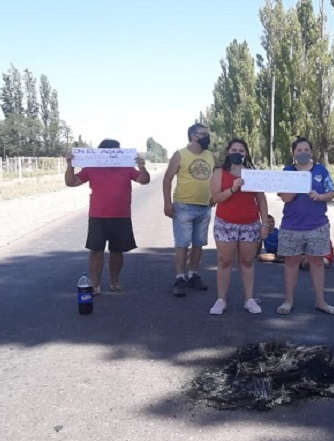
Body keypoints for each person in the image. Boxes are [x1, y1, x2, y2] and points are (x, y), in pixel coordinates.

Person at [65, 139, 150, 294]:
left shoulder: (126, 167)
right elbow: (71, 182)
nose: (116, 154)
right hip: (98, 216)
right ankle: (95, 286)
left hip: (121, 215)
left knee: (117, 251)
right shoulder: (92, 167)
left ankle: (114, 282)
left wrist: (142, 167)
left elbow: (144, 180)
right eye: (115, 151)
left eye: (119, 152)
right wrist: (69, 165)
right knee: (96, 251)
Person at [276, 137, 334, 315]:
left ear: (311, 151)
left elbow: (332, 192)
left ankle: (320, 301)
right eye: (299, 150)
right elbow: (285, 198)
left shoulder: (321, 170)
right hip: (291, 225)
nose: (303, 153)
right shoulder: (287, 171)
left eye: (306, 150)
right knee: (291, 263)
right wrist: (296, 187)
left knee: (317, 262)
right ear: (293, 153)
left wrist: (320, 196)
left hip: (317, 225)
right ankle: (288, 301)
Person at [208, 139, 269, 315]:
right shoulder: (219, 172)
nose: (238, 153)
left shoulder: (253, 173)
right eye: (234, 149)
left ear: (246, 153)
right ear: (227, 152)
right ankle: (221, 299)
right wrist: (233, 189)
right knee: (224, 261)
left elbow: (261, 199)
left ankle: (249, 299)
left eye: (241, 150)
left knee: (247, 261)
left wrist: (264, 223)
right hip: (225, 224)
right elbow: (216, 198)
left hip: (250, 224)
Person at [163, 123, 216, 297]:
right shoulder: (180, 155)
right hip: (183, 207)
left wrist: (214, 196)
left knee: (199, 243)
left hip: (205, 206)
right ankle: (179, 278)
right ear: (194, 136)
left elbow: (214, 178)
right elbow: (167, 179)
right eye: (204, 134)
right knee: (182, 244)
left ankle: (193, 274)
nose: (207, 137)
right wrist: (167, 203)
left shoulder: (210, 155)